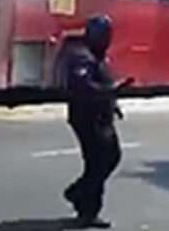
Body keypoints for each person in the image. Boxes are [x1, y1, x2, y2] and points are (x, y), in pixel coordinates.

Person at [58, 15, 133, 228]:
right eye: (104, 35)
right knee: (100, 161)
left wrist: (114, 104)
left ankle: (87, 208)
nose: (107, 40)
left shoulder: (99, 55)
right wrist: (111, 91)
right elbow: (85, 87)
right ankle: (79, 195)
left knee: (105, 160)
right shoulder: (82, 57)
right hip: (87, 118)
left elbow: (103, 82)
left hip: (101, 116)